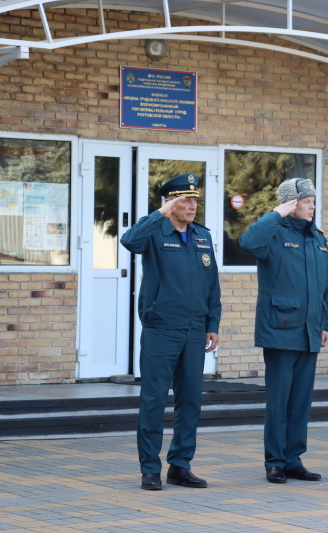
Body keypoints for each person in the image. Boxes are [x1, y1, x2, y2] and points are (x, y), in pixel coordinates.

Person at [121, 173, 221, 491]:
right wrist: (160, 214)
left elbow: (212, 285)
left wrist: (212, 325)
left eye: (194, 200)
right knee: (153, 400)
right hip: (161, 328)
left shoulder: (202, 236)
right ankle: (150, 468)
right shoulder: (153, 230)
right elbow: (129, 241)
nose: (192, 206)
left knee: (190, 401)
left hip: (194, 330)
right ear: (170, 203)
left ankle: (180, 465)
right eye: (185, 200)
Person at [239, 177, 328, 484]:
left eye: (313, 201)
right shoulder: (273, 234)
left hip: (309, 331)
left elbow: (326, 288)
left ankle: (294, 459)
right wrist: (276, 213)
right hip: (280, 330)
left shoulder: (317, 238)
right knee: (279, 401)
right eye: (307, 202)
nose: (313, 207)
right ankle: (275, 462)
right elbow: (248, 242)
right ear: (291, 204)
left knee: (300, 402)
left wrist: (326, 323)